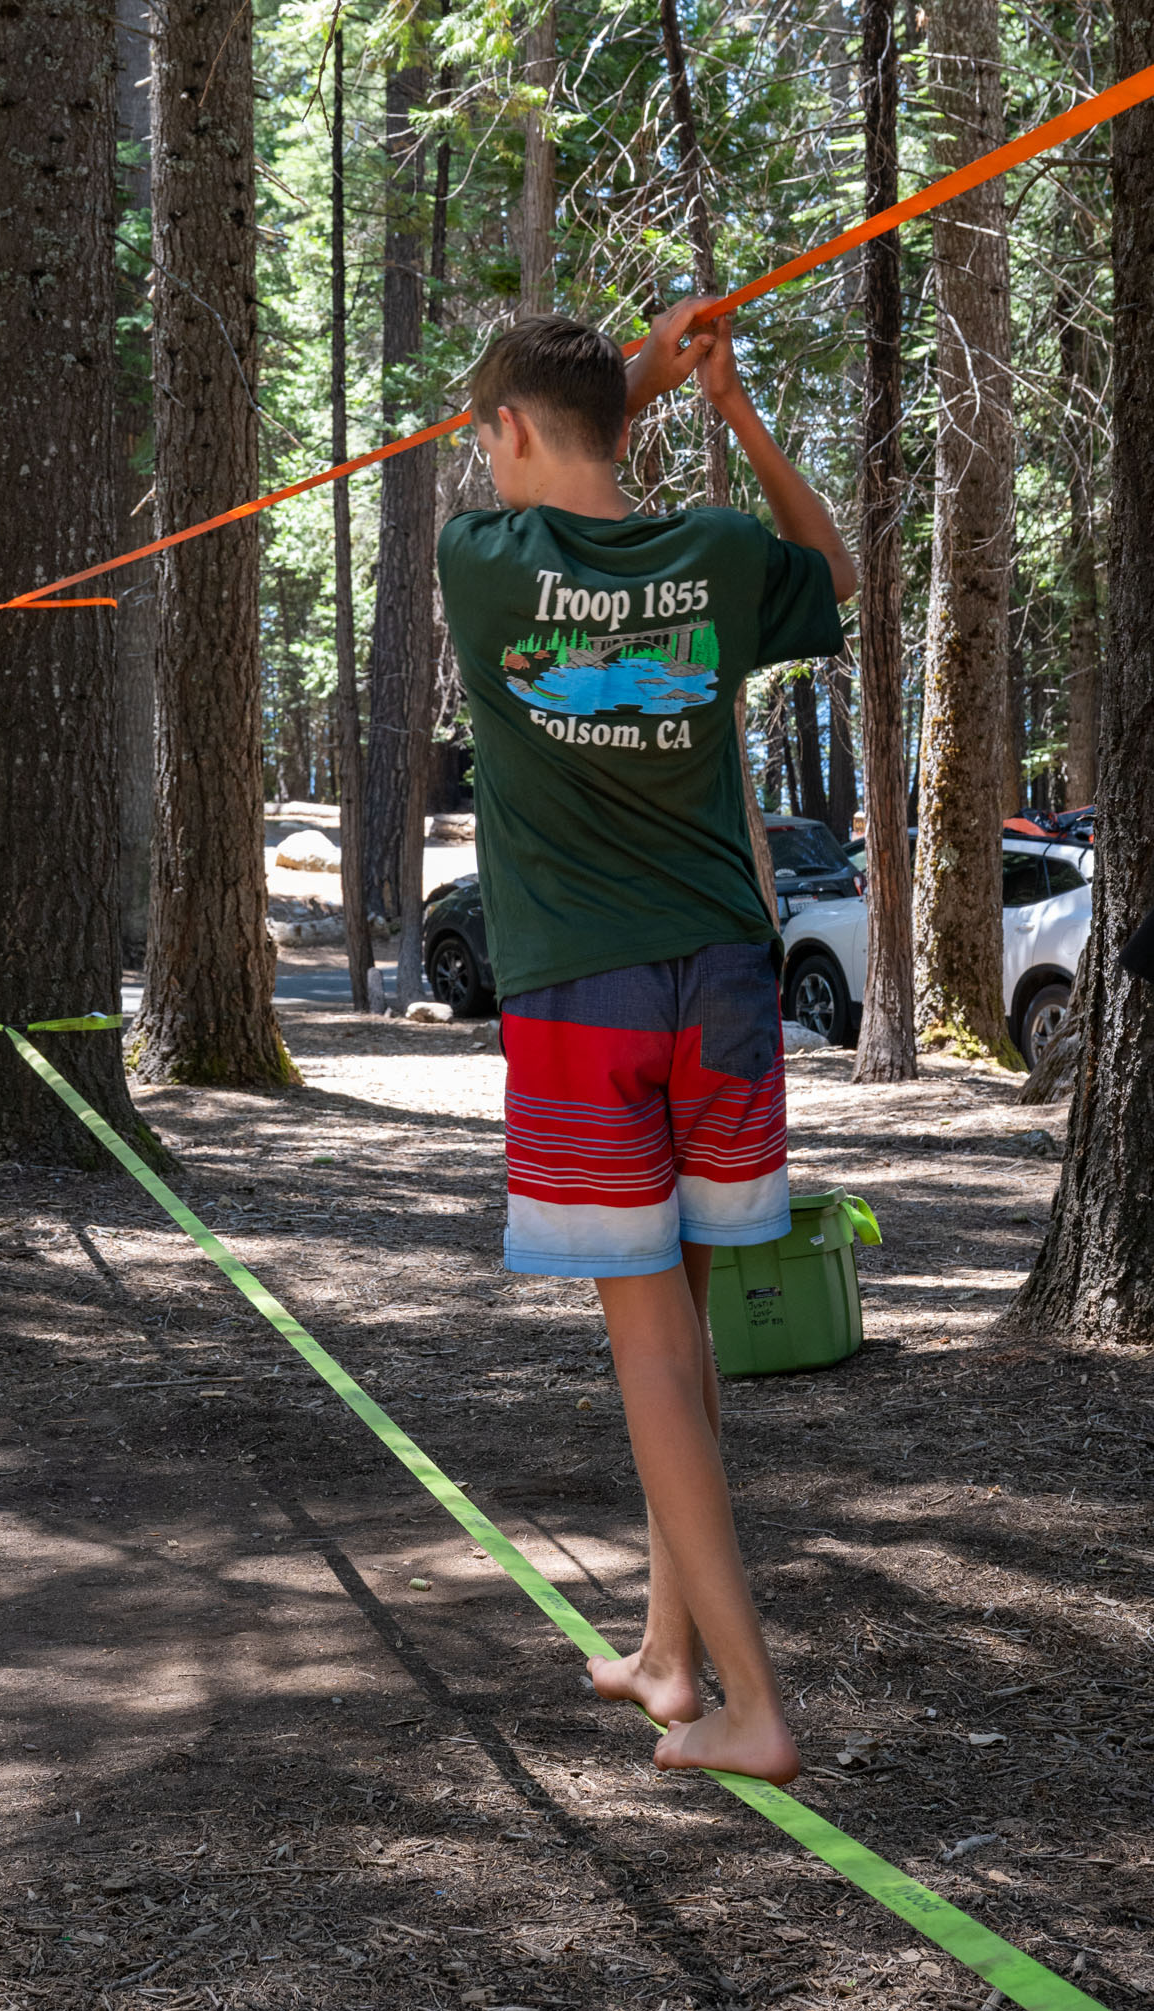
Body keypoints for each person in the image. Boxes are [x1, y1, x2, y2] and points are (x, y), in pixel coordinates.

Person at [437, 302, 857, 1784]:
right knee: (682, 1323)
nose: (483, 463)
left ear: (510, 431)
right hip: (725, 981)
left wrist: (645, 379)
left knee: (651, 1361)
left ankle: (754, 1706)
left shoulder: (481, 565)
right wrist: (724, 405)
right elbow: (834, 571)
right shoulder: (721, 555)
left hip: (585, 995)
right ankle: (671, 1657)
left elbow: (562, 446)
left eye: (487, 437)